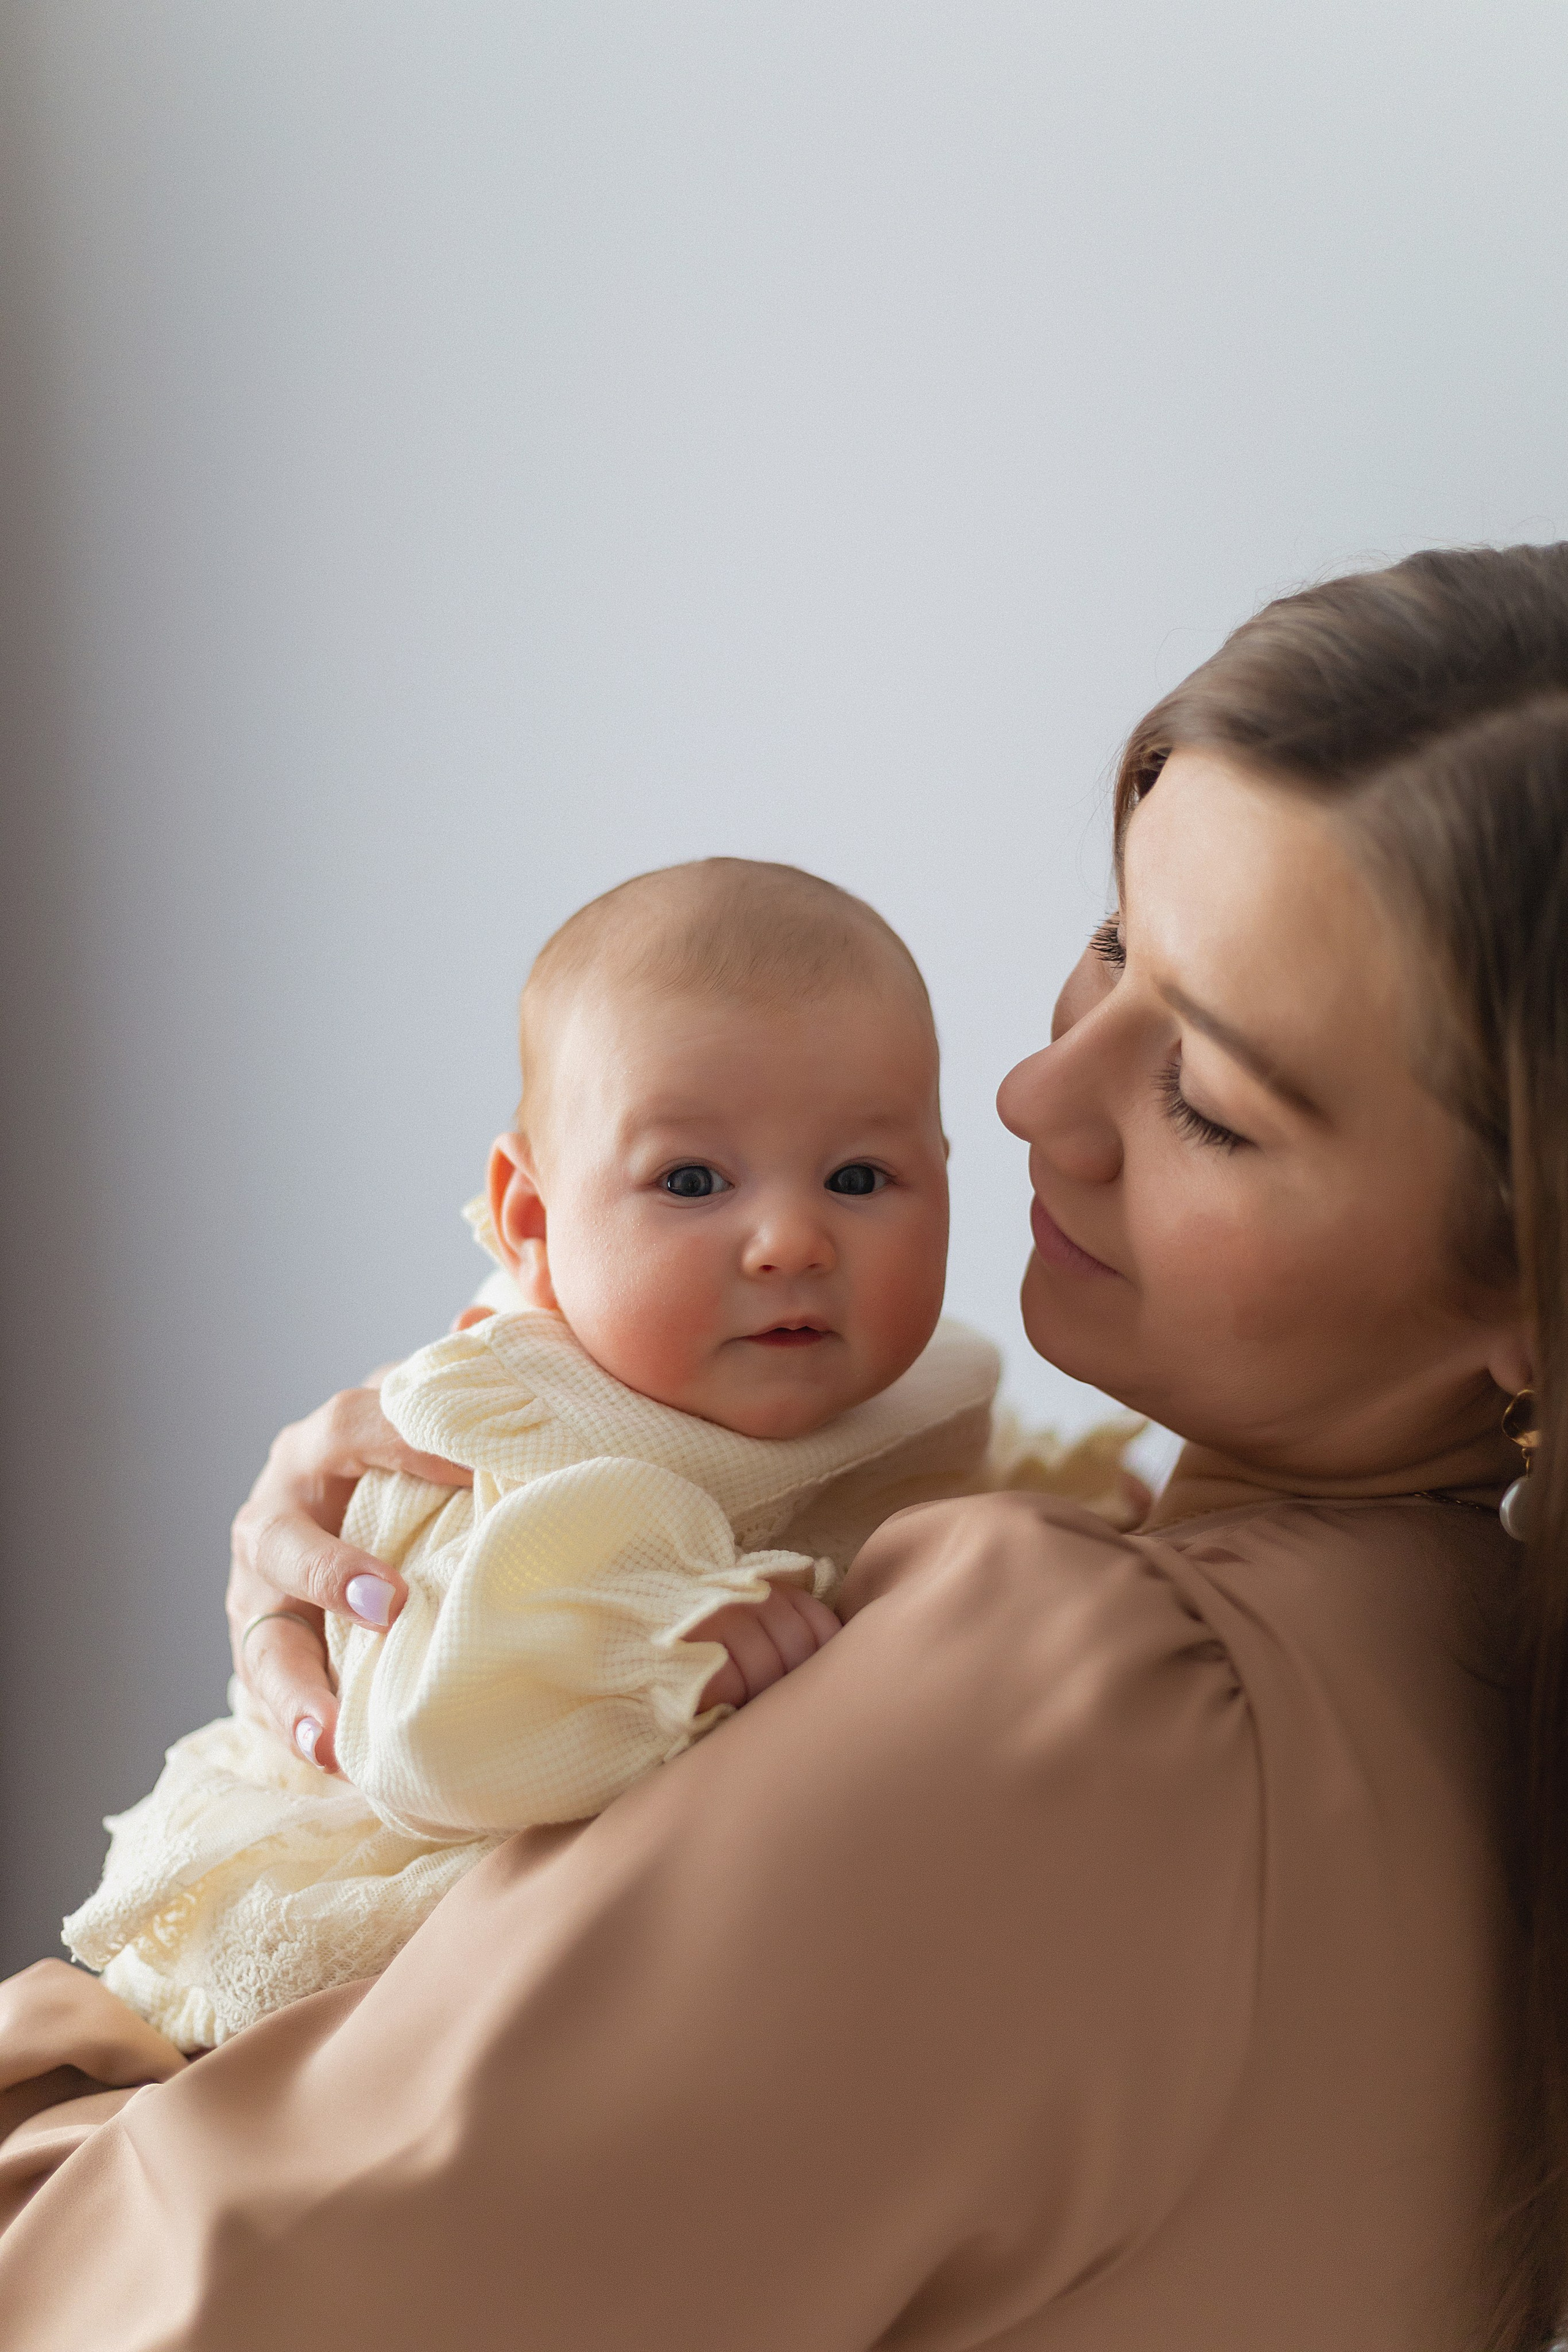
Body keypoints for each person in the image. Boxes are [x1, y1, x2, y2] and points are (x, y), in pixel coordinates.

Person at [1, 540, 1564, 2351]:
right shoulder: (1463, 1696)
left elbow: (177, 2310)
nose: (1034, 1098)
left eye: (1208, 1101)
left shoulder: (1086, 1714)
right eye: (1116, 938)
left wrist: (129, 1998)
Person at [61, 860, 1122, 2050]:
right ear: (529, 1218)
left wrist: (1081, 1497)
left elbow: (930, 1469)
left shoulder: (919, 1373)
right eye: (689, 1181)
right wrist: (646, 1655)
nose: (788, 1238)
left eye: (859, 1177)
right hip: (407, 1903)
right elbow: (420, 1735)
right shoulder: (503, 1425)